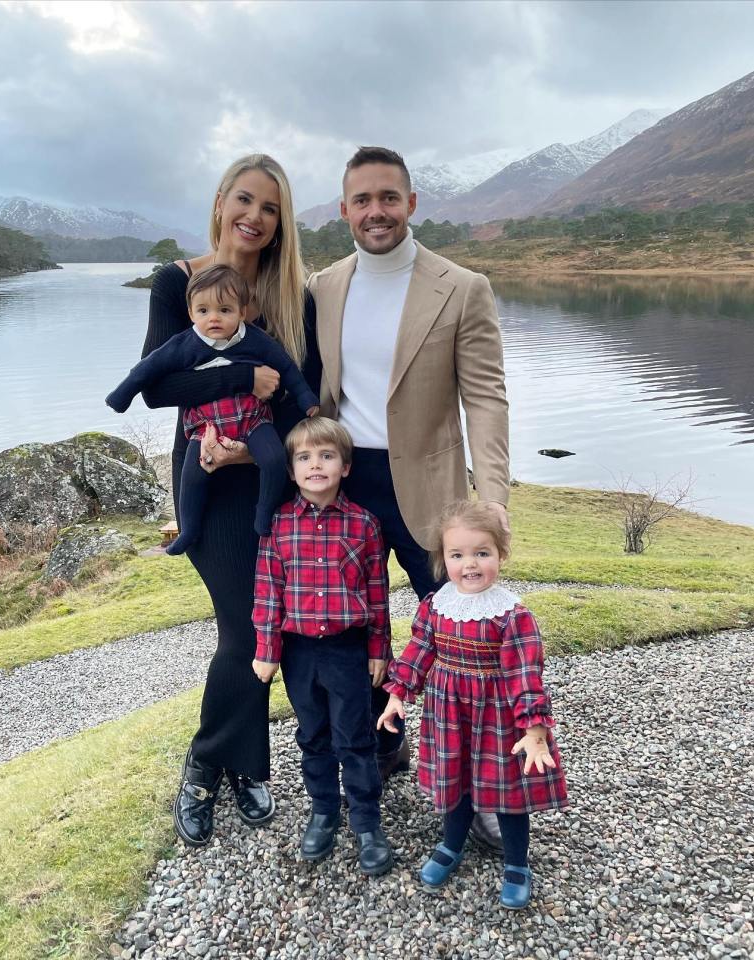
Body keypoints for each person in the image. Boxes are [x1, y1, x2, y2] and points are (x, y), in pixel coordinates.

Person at [307, 145, 510, 847]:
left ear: (411, 203)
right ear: (343, 212)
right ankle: (379, 749)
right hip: (342, 492)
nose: (375, 211)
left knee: (460, 638)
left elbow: (484, 397)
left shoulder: (461, 287)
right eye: (361, 200)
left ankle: (482, 786)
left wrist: (494, 494)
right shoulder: (323, 286)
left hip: (429, 489)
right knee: (349, 632)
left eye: (388, 197)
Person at [137, 154, 320, 847]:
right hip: (208, 482)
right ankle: (207, 763)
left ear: (280, 223)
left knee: (264, 628)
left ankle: (241, 765)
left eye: (270, 208)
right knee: (245, 630)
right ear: (220, 202)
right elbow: (158, 386)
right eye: (245, 199)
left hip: (270, 477)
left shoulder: (292, 299)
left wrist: (255, 444)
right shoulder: (176, 284)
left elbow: (310, 401)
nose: (254, 216)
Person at [377, 501, 569, 909]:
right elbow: (418, 651)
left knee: (505, 790)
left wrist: (535, 732)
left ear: (501, 555)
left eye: (482, 553)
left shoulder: (512, 616)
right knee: (455, 780)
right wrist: (397, 694)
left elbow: (525, 676)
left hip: (497, 716)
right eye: (457, 554)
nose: (470, 564)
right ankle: (451, 844)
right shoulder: (436, 605)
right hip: (448, 712)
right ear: (443, 557)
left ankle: (517, 863)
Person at [251, 417, 394, 876]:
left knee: (355, 736)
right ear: (291, 471)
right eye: (305, 458)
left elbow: (377, 592)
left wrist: (379, 649)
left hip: (347, 649)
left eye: (327, 456)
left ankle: (367, 823)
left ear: (345, 467)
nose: (316, 465)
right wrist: (267, 648)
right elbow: (268, 591)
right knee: (312, 735)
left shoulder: (365, 525)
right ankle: (323, 811)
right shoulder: (278, 525)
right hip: (298, 653)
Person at [106, 264, 319, 554]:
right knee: (193, 476)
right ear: (191, 313)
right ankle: (189, 530)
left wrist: (306, 398)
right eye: (203, 311)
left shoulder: (254, 339)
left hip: (253, 421)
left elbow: (287, 368)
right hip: (208, 426)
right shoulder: (185, 344)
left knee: (273, 459)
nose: (214, 318)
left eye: (225, 310)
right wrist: (122, 395)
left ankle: (263, 513)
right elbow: (148, 369)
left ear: (242, 312)